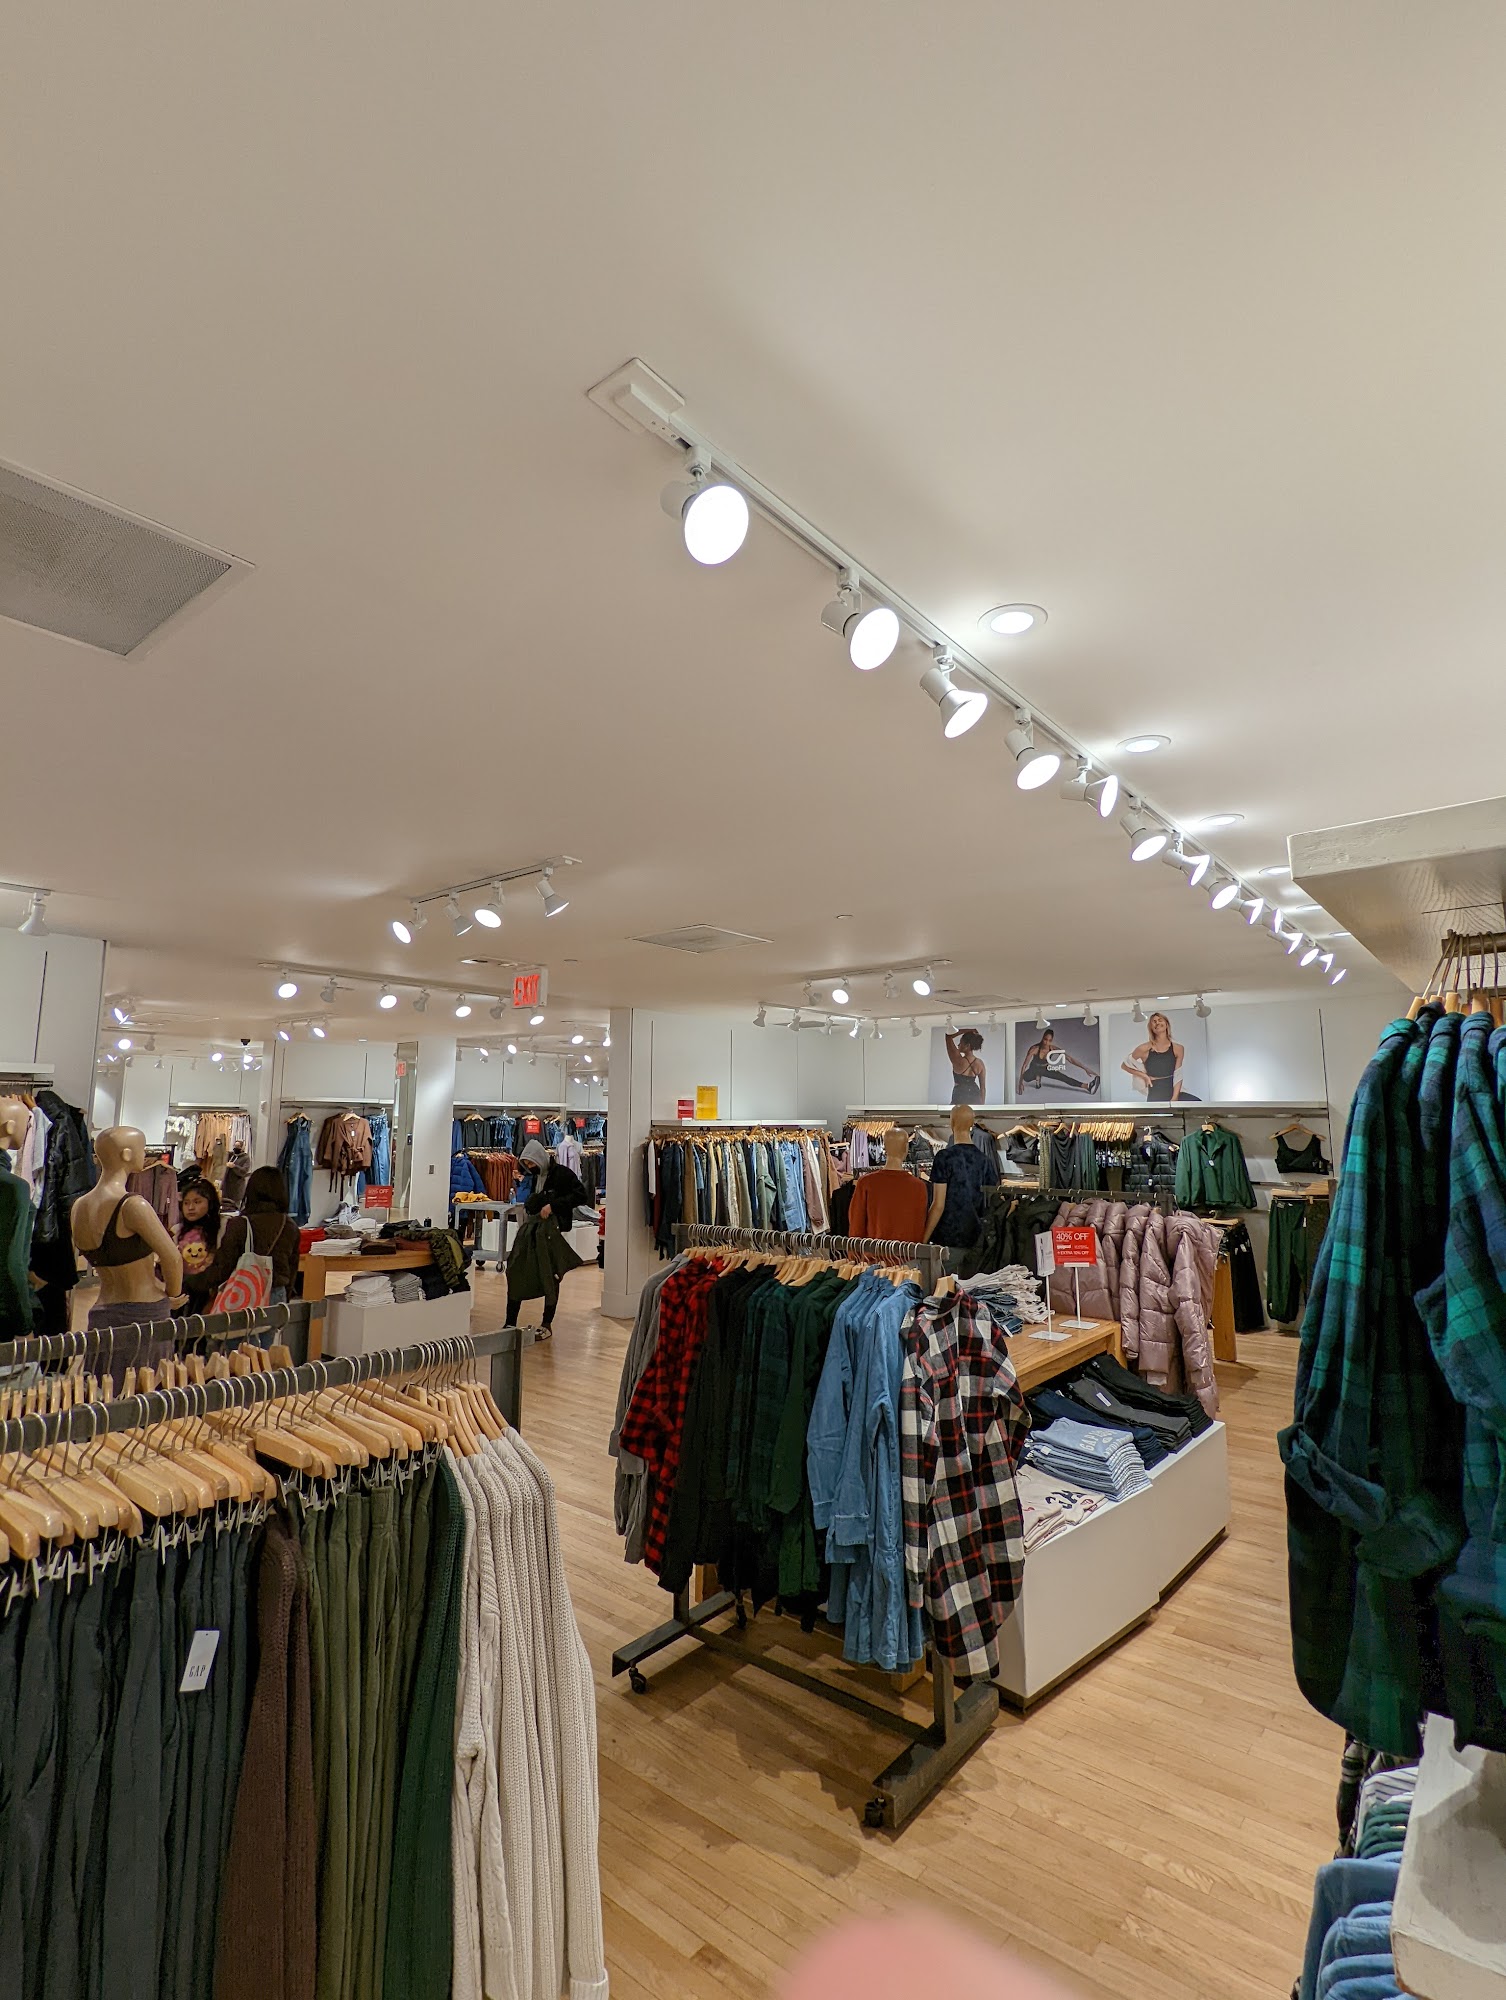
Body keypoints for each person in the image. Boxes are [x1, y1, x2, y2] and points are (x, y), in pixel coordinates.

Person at [504, 1138, 590, 1338]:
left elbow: (581, 1196)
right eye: (526, 1163)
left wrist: (553, 1206)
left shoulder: (562, 1174)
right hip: (532, 1230)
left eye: (531, 1162)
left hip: (552, 1231)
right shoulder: (533, 1176)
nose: (529, 1166)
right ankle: (509, 1322)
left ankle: (546, 1324)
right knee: (516, 1269)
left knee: (550, 1275)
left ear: (539, 1158)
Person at [189, 1164, 300, 1311]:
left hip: (244, 1292)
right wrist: (286, 1296)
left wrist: (191, 1282)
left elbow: (223, 1267)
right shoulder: (290, 1226)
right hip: (276, 1294)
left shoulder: (241, 1224)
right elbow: (292, 1268)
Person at [1122, 1011, 1187, 1102]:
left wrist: (1174, 1098)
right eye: (1154, 1021)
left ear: (1166, 1024)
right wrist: (1144, 1076)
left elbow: (1178, 1075)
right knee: (1156, 1110)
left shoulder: (1178, 1048)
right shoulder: (1143, 1049)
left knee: (1197, 1104)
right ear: (1151, 1028)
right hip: (1155, 1091)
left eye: (1160, 1020)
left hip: (1173, 1089)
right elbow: (1124, 1065)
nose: (1157, 1023)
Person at [1017, 1028, 1100, 1095]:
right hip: (1034, 1069)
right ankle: (1037, 1076)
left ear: (1051, 1040)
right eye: (1045, 1039)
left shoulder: (1053, 1049)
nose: (1046, 1042)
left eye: (1049, 1040)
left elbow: (1070, 1059)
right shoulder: (1034, 1049)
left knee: (1063, 1077)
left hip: (1045, 1069)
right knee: (1026, 1077)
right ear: (1042, 1038)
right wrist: (1020, 1083)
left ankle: (1088, 1086)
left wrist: (1085, 1068)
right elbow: (1024, 1066)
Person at [175, 1177, 223, 1290]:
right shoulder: (177, 1231)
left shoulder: (221, 1229)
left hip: (208, 1289)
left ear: (210, 1203)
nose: (191, 1208)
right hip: (181, 1288)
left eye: (197, 1202)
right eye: (186, 1203)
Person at [944, 1027, 987, 1105]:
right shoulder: (980, 1064)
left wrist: (968, 1030)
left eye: (961, 1043)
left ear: (967, 1045)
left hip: (959, 1096)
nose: (958, 1045)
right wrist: (982, 1107)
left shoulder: (957, 1060)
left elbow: (948, 1036)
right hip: (975, 1096)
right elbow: (983, 1088)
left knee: (957, 1112)